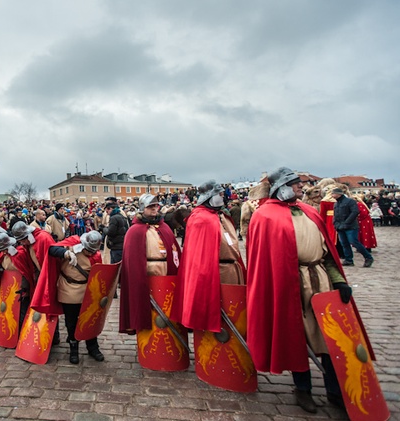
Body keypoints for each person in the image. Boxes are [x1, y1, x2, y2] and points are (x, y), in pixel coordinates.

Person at [246, 167, 351, 413]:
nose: (300, 187)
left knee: (331, 338)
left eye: (300, 183)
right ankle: (303, 389)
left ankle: (335, 390)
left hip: (321, 281)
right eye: (295, 184)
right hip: (290, 284)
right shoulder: (265, 216)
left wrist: (338, 280)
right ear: (281, 187)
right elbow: (265, 262)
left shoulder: (309, 211)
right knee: (295, 337)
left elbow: (327, 254)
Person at [178, 180, 245, 332]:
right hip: (216, 272)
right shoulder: (201, 219)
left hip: (232, 269)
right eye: (220, 194)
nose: (223, 197)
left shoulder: (220, 216)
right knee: (220, 316)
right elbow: (200, 258)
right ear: (210, 196)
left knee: (234, 313)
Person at [37, 231, 105, 364]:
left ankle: (93, 347)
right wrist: (65, 253)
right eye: (89, 250)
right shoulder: (71, 244)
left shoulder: (95, 255)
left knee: (90, 319)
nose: (91, 253)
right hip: (69, 289)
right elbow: (52, 249)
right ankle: (74, 348)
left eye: (93, 251)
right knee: (71, 321)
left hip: (88, 290)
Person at [119, 193, 181, 334]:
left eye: (156, 206)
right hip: (147, 273)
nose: (154, 209)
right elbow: (132, 261)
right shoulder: (134, 231)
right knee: (149, 308)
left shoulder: (164, 227)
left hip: (166, 272)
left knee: (167, 306)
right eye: (150, 206)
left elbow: (174, 249)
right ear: (143, 208)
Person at [331, 188, 374, 267]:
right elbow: (335, 214)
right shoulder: (336, 204)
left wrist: (346, 222)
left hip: (351, 226)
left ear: (339, 194)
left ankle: (368, 257)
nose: (332, 195)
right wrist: (335, 223)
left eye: (333, 194)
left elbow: (355, 212)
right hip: (340, 226)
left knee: (354, 242)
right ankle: (348, 259)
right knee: (344, 243)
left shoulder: (350, 201)